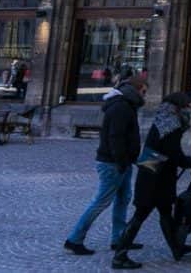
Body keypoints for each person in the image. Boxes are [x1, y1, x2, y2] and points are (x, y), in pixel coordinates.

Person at [112, 92, 191, 269]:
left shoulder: (163, 120)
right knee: (141, 215)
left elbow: (168, 150)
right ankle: (119, 256)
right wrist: (188, 163)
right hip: (156, 177)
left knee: (165, 212)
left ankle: (176, 248)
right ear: (178, 107)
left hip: (152, 172)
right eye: (187, 106)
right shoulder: (172, 124)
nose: (189, 109)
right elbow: (172, 152)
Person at [65, 75, 146, 256]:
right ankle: (74, 239)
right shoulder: (121, 107)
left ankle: (119, 239)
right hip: (113, 163)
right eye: (144, 90)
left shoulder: (125, 105)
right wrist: (121, 161)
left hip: (121, 162)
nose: (145, 95)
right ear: (136, 89)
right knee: (101, 201)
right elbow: (115, 137)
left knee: (123, 199)